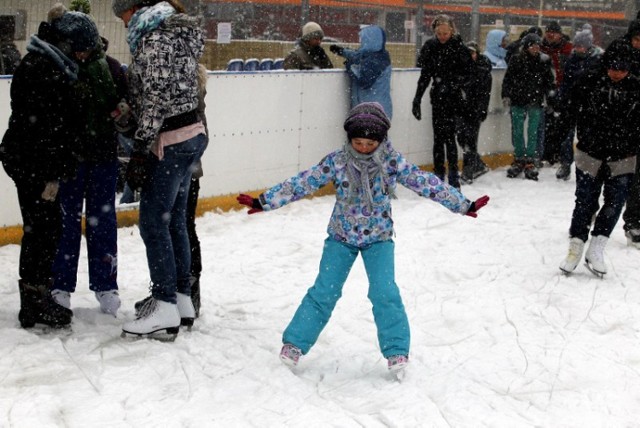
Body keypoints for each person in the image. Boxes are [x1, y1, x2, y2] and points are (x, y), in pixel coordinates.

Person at [237, 102, 489, 372]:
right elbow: (303, 182)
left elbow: (424, 182)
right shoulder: (338, 161)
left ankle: (396, 351)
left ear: (381, 141)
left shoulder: (391, 161)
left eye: (370, 143)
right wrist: (265, 201)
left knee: (385, 292)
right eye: (358, 142)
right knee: (324, 291)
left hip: (378, 238)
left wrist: (462, 204)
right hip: (341, 236)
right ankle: (295, 343)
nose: (364, 148)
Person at [111, 0, 207, 337]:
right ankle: (181, 299)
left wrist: (140, 148)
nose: (123, 24)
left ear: (136, 9)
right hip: (190, 134)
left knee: (153, 222)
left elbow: (156, 96)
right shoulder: (174, 32)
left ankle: (165, 304)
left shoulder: (154, 40)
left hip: (172, 141)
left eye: (122, 16)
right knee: (174, 220)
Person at [0, 10, 84, 328]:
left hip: (30, 160)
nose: (79, 54)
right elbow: (50, 126)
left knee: (43, 230)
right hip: (34, 164)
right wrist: (56, 168)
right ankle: (34, 301)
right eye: (78, 47)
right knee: (42, 231)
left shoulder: (45, 62)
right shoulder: (45, 68)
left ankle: (36, 298)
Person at [44, 7, 123, 316]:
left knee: (102, 222)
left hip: (102, 158)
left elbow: (124, 115)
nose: (78, 54)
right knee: (66, 223)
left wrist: (121, 114)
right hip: (70, 161)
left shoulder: (113, 69)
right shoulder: (59, 69)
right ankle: (61, 284)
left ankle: (106, 285)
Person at [559, 40, 640, 277]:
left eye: (623, 69)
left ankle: (597, 247)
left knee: (615, 202)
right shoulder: (589, 81)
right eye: (614, 68)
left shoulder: (636, 88)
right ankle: (575, 248)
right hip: (589, 153)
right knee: (584, 200)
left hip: (623, 156)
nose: (617, 74)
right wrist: (562, 134)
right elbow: (569, 109)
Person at [412, 14, 474, 189]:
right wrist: (417, 99)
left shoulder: (459, 48)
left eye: (445, 33)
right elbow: (425, 76)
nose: (442, 37)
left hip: (453, 100)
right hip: (438, 98)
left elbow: (469, 75)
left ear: (452, 31)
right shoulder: (430, 47)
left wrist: (454, 85)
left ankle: (453, 174)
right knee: (438, 138)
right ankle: (438, 173)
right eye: (439, 33)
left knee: (450, 138)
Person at [502, 34, 554, 180]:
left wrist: (551, 99)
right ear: (526, 46)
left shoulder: (544, 60)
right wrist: (506, 95)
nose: (535, 48)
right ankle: (519, 157)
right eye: (532, 45)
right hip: (518, 100)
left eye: (538, 45)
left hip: (535, 101)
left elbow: (549, 82)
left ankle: (530, 159)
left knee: (533, 131)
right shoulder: (517, 59)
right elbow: (508, 79)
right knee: (518, 129)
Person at [554, 30, 602, 181]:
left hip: (588, 105)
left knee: (585, 137)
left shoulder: (597, 60)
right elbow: (565, 82)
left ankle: (585, 166)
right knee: (566, 136)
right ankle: (566, 163)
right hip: (571, 104)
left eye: (581, 46)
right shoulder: (571, 60)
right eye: (577, 46)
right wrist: (562, 99)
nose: (578, 49)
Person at [329, 25, 392, 119]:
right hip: (376, 109)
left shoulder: (375, 61)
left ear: (370, 40)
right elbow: (358, 56)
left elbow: (364, 81)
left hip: (372, 111)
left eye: (363, 39)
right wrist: (342, 51)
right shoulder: (377, 55)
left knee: (368, 133)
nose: (361, 42)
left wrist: (350, 67)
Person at [458, 41, 492, 184]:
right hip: (462, 109)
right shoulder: (462, 69)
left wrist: (482, 109)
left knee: (470, 140)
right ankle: (478, 165)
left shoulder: (483, 71)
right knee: (461, 137)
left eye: (472, 52)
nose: (470, 55)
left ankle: (468, 170)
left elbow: (486, 93)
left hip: (475, 110)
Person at [540, 20, 574, 165]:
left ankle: (561, 155)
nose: (550, 35)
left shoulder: (568, 49)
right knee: (548, 125)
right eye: (548, 32)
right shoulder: (542, 48)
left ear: (560, 34)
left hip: (564, 90)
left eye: (553, 32)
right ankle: (548, 154)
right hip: (546, 90)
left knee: (562, 126)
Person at [620, 17, 640, 249]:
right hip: (620, 128)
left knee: (637, 179)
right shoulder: (620, 54)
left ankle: (634, 221)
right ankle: (592, 210)